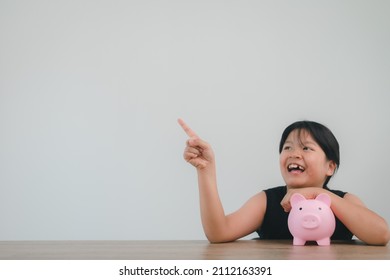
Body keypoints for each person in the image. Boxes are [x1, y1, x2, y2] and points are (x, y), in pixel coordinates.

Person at [178, 118, 390, 245]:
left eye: (306, 148)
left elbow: (381, 234)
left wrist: (316, 193)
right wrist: (206, 171)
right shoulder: (266, 201)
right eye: (287, 147)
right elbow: (218, 233)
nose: (294, 154)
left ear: (330, 166)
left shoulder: (344, 201)